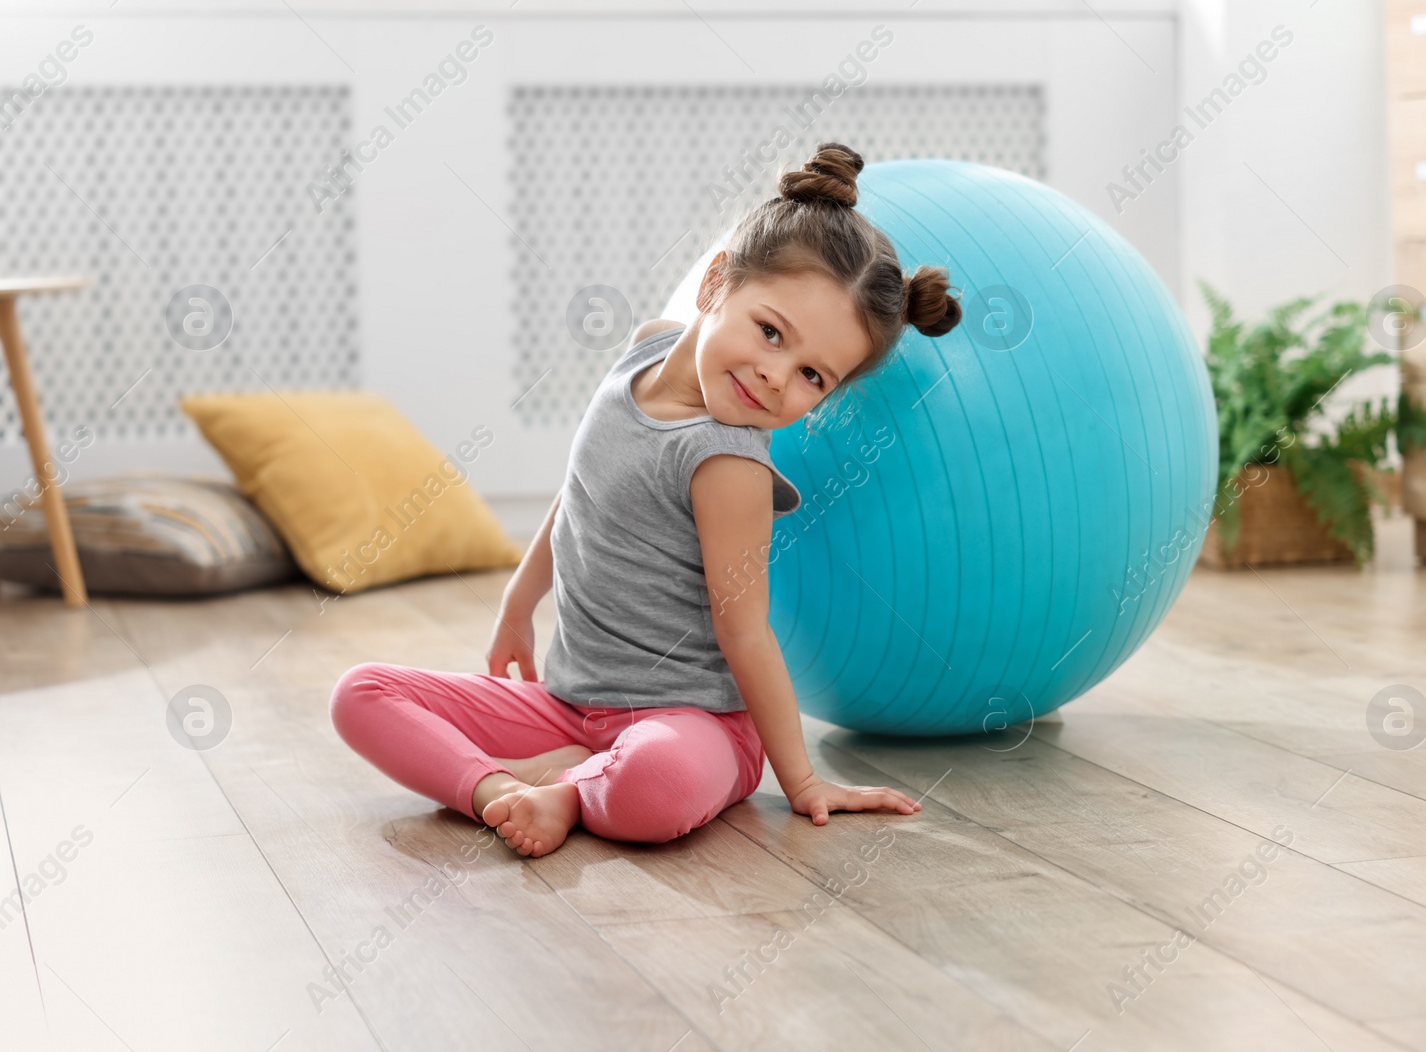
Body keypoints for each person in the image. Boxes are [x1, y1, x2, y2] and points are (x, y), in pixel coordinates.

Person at [329, 141, 963, 857]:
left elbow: (746, 633)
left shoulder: (728, 461)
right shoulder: (642, 349)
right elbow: (580, 490)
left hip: (693, 724)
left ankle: (569, 791)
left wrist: (802, 780)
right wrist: (518, 601)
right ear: (716, 283)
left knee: (655, 784)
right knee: (362, 694)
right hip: (570, 705)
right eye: (769, 331)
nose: (775, 375)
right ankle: (503, 791)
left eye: (813, 375)